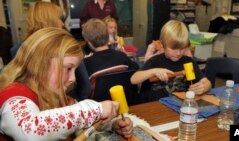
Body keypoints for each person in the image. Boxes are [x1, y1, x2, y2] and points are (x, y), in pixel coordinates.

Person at [0, 27, 133, 141]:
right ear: (40, 64)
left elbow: (78, 123)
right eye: (68, 68)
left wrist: (112, 125)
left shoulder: (57, 96)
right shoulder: (13, 96)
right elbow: (31, 131)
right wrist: (95, 110)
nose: (73, 78)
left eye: (74, 70)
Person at [10, 1, 91, 101]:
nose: (62, 23)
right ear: (48, 20)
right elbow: (85, 86)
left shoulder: (18, 50)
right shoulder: (64, 46)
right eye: (59, 19)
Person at [130, 20, 211, 102]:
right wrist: (154, 71)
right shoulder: (155, 61)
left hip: (180, 105)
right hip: (156, 106)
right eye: (174, 48)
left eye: (182, 48)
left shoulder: (188, 62)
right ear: (162, 44)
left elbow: (207, 82)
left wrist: (204, 87)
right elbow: (133, 79)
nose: (178, 53)